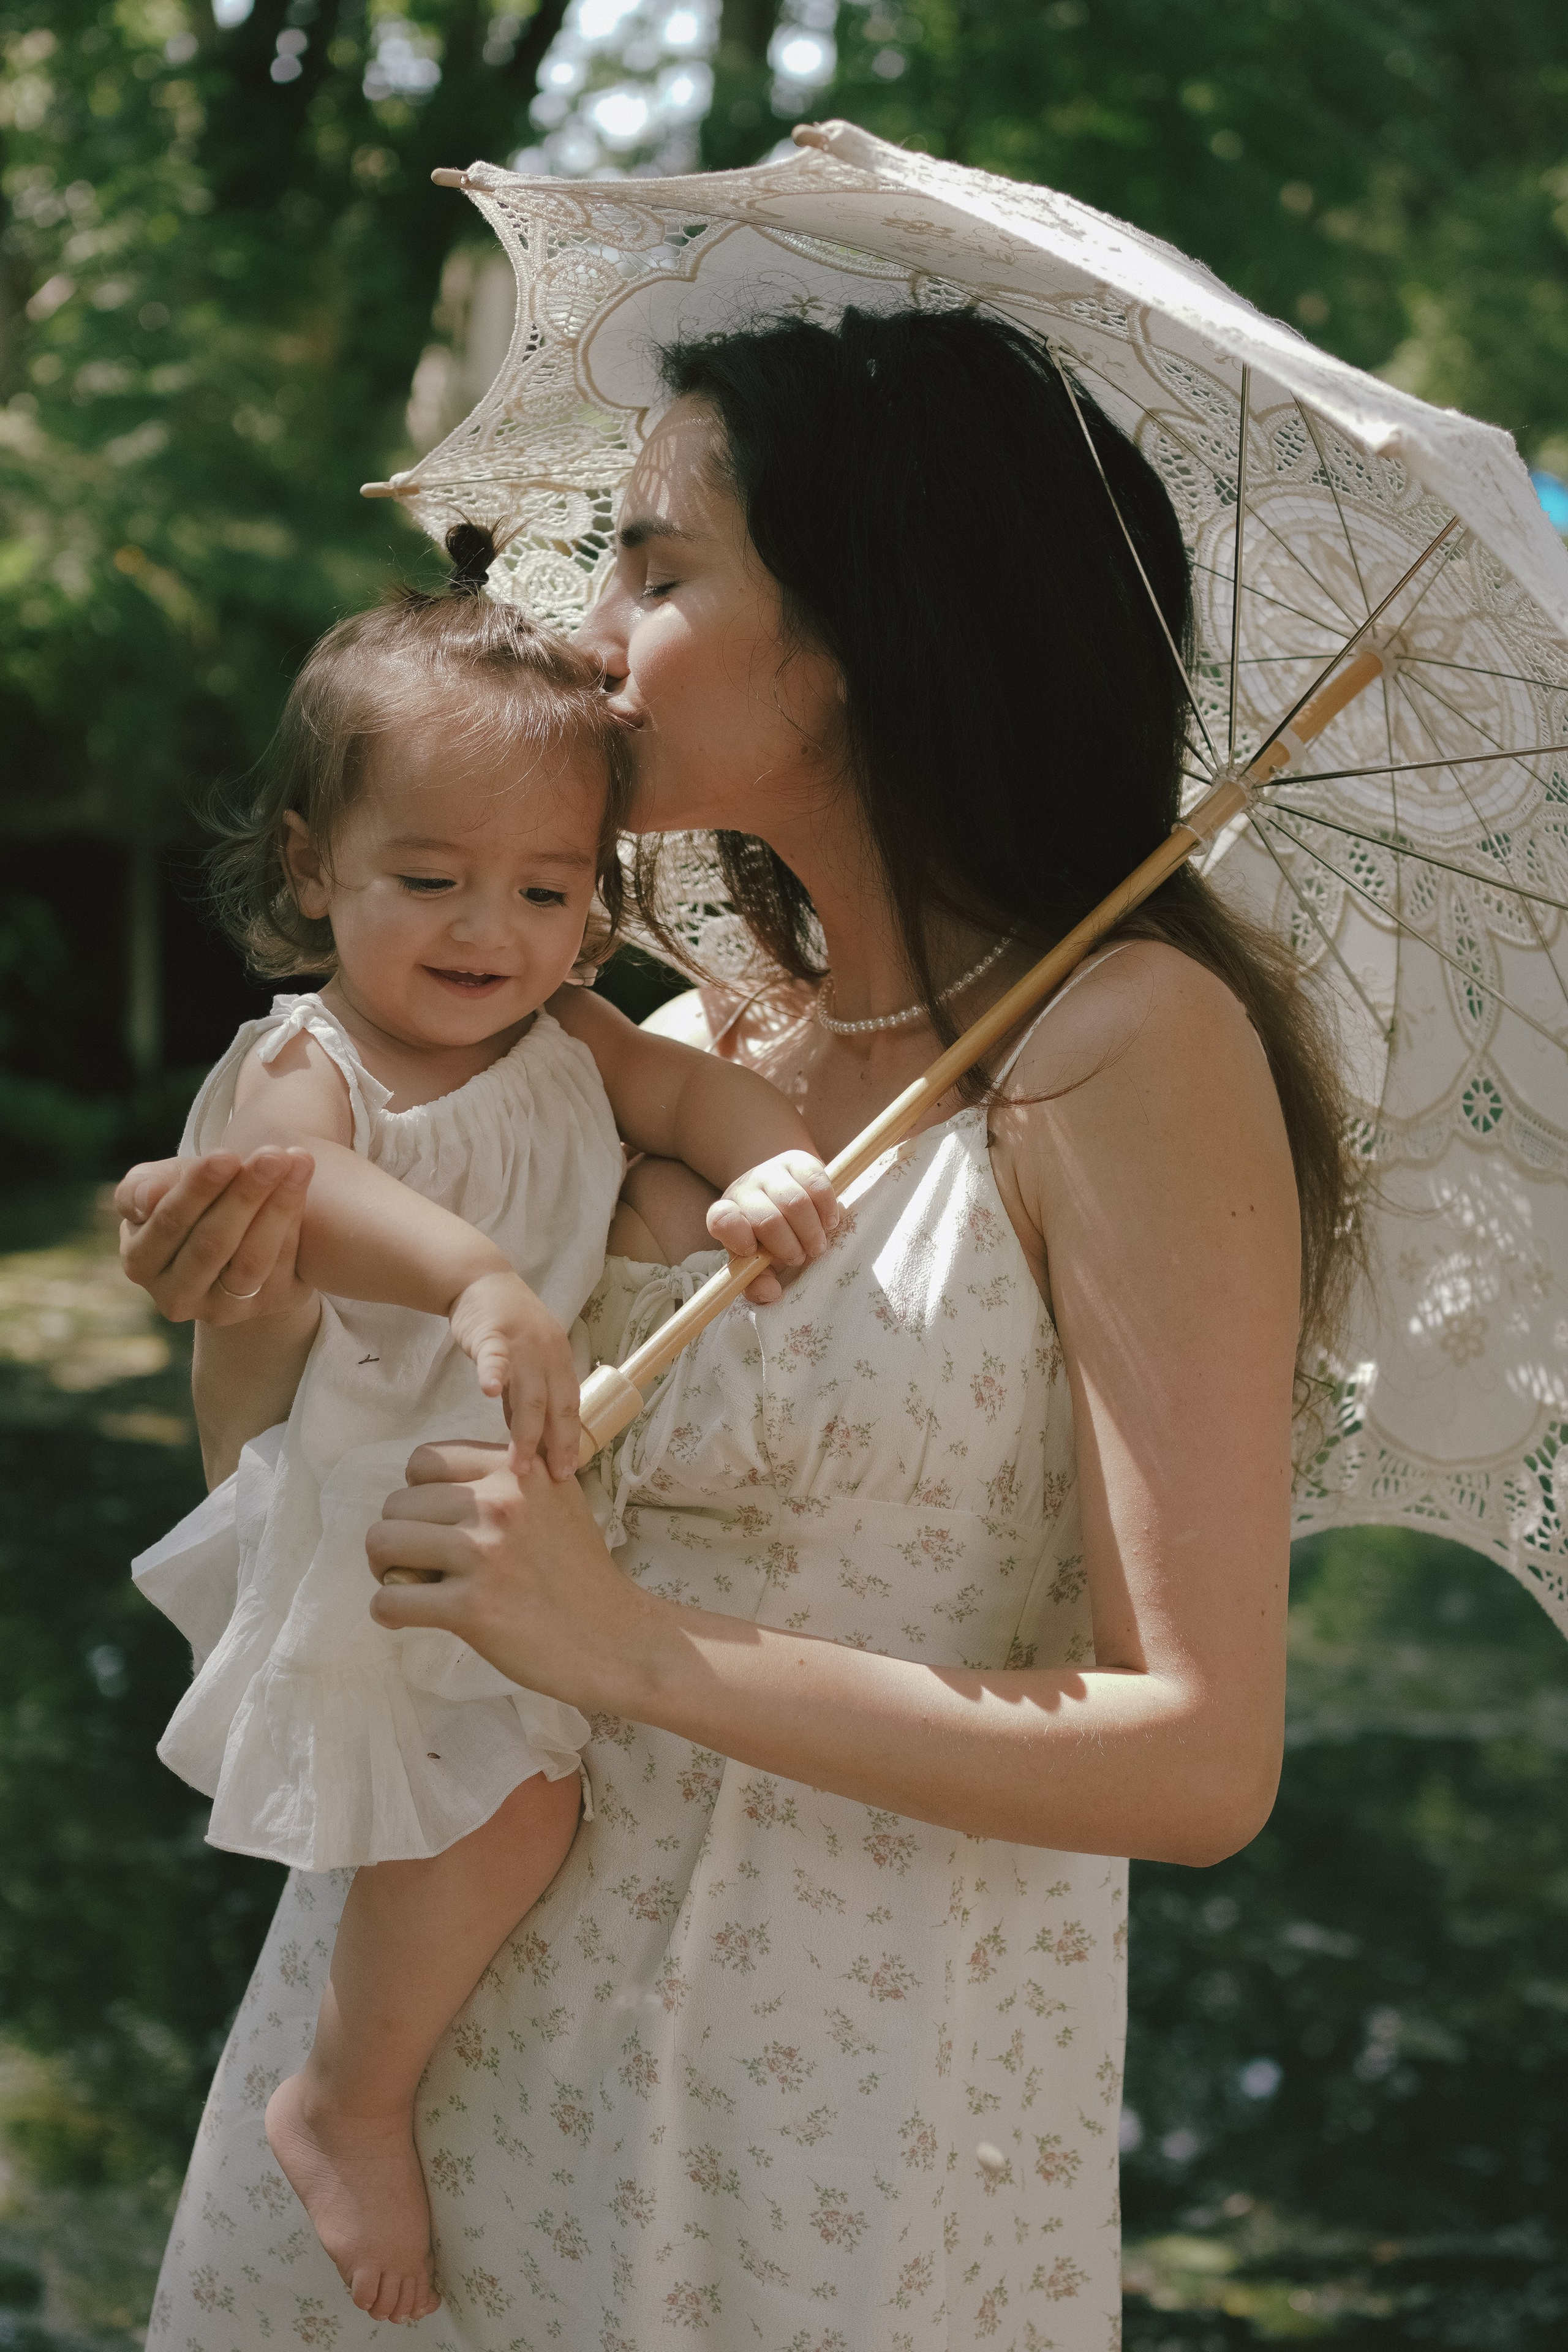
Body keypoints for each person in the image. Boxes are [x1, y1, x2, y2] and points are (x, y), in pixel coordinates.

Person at [121, 307, 1355, 2349]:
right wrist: (245, 1322)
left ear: (867, 622)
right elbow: (339, 1486)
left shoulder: (1129, 1048)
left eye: (658, 565)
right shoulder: (678, 1042)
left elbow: (1202, 1761)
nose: (587, 626)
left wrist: (629, 1649)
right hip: (438, 2052)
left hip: (817, 2108)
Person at [129, 541, 839, 2328]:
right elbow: (320, 1210)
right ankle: (344, 2100)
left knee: (517, 1806)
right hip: (374, 1504)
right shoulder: (313, 1066)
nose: (485, 934)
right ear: (314, 869)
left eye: (542, 892)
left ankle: (354, 2084)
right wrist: (479, 1284)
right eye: (428, 880)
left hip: (487, 1513)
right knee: (509, 1818)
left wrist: (764, 1162)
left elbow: (689, 1093)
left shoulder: (567, 1033)